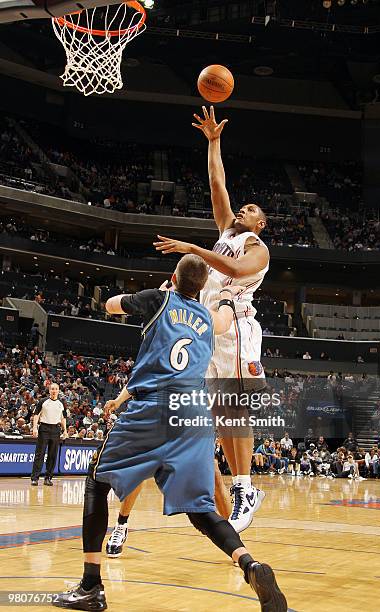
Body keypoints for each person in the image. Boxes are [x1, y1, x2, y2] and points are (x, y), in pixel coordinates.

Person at [52, 255, 287, 612]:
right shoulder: (209, 318)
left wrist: (153, 295)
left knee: (96, 481)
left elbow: (111, 305)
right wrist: (226, 295)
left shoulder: (158, 299)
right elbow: (225, 317)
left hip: (154, 408)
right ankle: (249, 564)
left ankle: (90, 586)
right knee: (200, 507)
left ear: (173, 277)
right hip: (195, 415)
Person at [153, 105, 270, 533]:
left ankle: (244, 487)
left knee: (235, 410)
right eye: (242, 208)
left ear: (261, 223)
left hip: (237, 325)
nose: (242, 210)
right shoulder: (226, 232)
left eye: (251, 209)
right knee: (222, 413)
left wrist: (191, 248)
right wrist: (213, 141)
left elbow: (238, 272)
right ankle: (241, 488)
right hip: (210, 327)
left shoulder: (257, 247)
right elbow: (216, 181)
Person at [31, 382, 68, 486]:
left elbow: (63, 418)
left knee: (52, 455)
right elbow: (36, 415)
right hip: (44, 428)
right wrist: (34, 428)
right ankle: (35, 478)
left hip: (56, 430)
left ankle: (48, 478)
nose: (54, 391)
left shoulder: (61, 403)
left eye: (56, 389)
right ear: (49, 390)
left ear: (58, 390)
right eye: (52, 389)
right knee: (40, 454)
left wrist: (64, 430)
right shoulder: (43, 401)